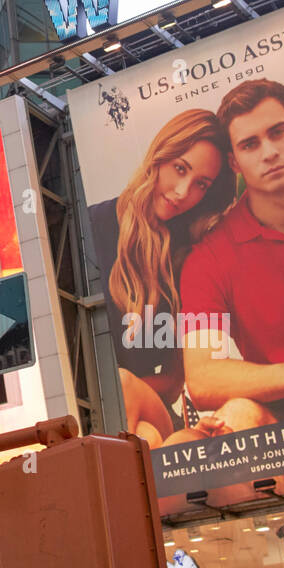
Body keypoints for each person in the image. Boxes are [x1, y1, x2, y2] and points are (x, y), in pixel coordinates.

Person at [89, 110, 236, 447]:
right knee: (145, 438)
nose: (183, 192)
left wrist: (125, 387)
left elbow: (172, 381)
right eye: (180, 169)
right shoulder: (90, 228)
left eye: (201, 184)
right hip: (100, 419)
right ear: (159, 155)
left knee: (125, 387)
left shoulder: (189, 255)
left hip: (145, 404)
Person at [179, 78, 284, 434]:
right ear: (234, 161)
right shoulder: (208, 257)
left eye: (277, 132)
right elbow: (203, 378)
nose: (269, 152)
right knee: (237, 414)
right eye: (250, 144)